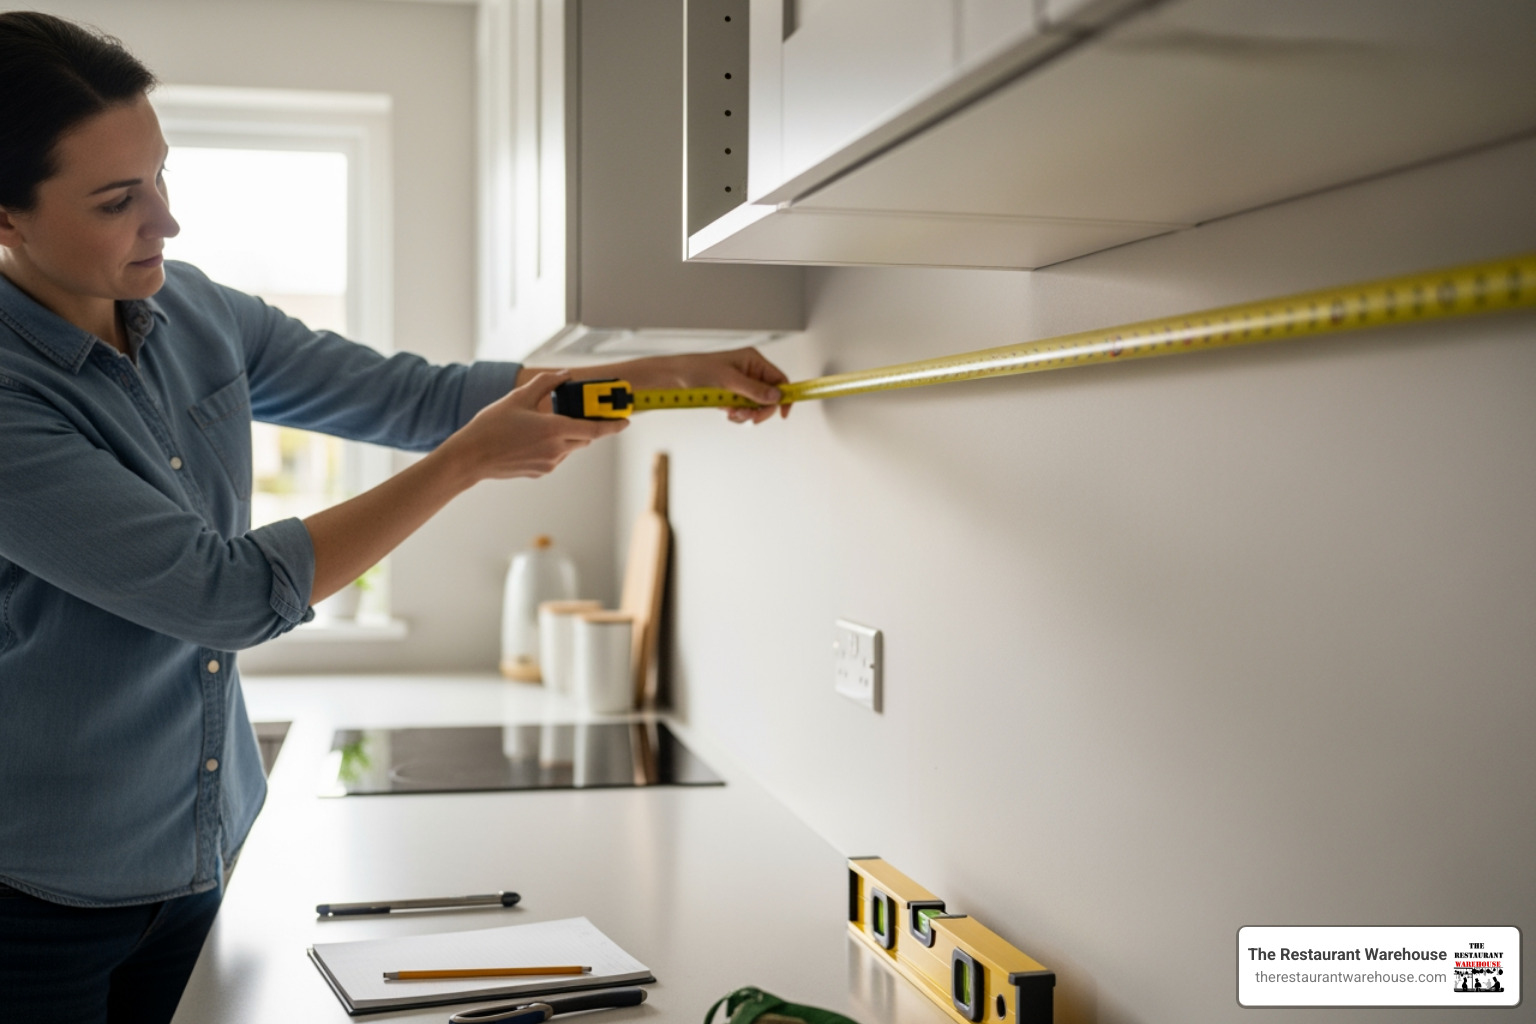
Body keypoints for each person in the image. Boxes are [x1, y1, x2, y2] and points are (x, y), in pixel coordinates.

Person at [0, 12, 789, 1023]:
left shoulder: (195, 309)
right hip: (36, 900)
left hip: (204, 853)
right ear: (7, 218)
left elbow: (415, 397)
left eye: (162, 176)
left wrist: (657, 373)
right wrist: (465, 467)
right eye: (118, 201)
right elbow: (223, 592)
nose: (166, 222)